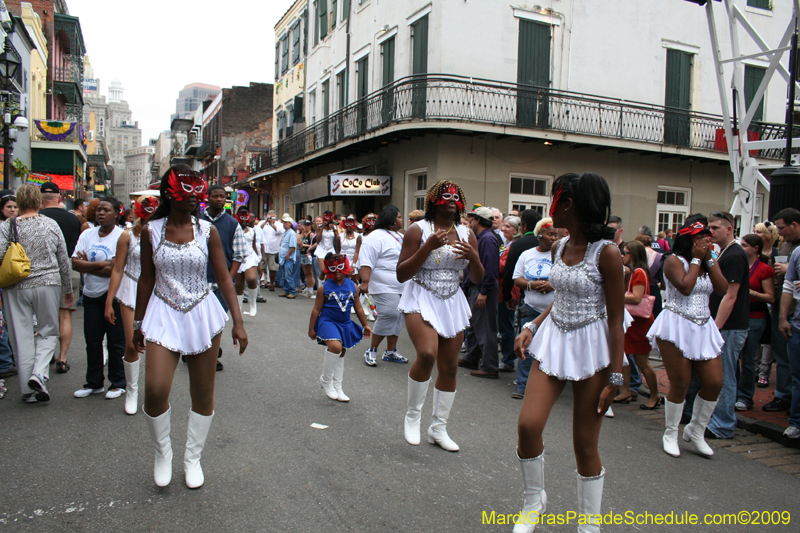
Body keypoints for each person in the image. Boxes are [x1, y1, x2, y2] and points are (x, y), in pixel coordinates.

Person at [511, 173, 626, 533]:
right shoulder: (559, 246)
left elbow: (616, 319)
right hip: (554, 339)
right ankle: (534, 501)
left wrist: (616, 377)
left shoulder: (607, 253)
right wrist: (532, 326)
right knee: (528, 425)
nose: (551, 207)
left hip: (592, 349)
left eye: (555, 199)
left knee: (585, 444)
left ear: (570, 205)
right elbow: (562, 297)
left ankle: (589, 525)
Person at [133, 165, 247, 488]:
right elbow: (146, 278)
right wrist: (138, 323)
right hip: (163, 313)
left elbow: (223, 276)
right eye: (187, 192)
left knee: (203, 393)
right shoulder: (150, 231)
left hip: (202, 313)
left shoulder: (208, 231)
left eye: (199, 192)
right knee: (155, 390)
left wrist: (238, 322)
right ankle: (162, 453)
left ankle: (193, 458)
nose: (196, 198)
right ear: (169, 194)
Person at [397, 180, 483, 452]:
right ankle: (413, 416)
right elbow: (401, 274)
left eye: (456, 196)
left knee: (450, 367)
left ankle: (438, 428)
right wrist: (427, 246)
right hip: (420, 295)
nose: (452, 200)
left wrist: (474, 258)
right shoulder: (418, 229)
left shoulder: (467, 233)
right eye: (446, 196)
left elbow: (478, 278)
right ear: (433, 200)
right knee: (426, 354)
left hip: (452, 300)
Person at [646, 215, 727, 458]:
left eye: (706, 238)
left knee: (714, 382)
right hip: (676, 325)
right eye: (699, 238)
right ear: (688, 240)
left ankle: (696, 430)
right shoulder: (674, 260)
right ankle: (671, 432)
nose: (704, 242)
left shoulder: (708, 261)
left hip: (704, 325)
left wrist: (709, 260)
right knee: (680, 383)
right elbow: (685, 287)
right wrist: (696, 259)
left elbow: (722, 289)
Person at [0, 185, 72, 402]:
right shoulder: (50, 224)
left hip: (16, 286)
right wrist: (68, 289)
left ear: (19, 203)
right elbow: (63, 259)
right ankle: (39, 373)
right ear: (39, 202)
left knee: (20, 337)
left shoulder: (7, 226)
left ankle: (28, 390)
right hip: (48, 283)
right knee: (48, 330)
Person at [684, 211, 749, 440]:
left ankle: (723, 424)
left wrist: (716, 328)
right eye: (708, 228)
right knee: (714, 375)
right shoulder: (723, 253)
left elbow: (730, 295)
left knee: (725, 376)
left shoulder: (734, 255)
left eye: (715, 228)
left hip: (729, 326)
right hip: (722, 325)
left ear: (729, 229)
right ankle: (707, 419)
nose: (710, 232)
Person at [104, 195, 160, 415]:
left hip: (157, 293)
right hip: (130, 291)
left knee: (156, 347)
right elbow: (118, 269)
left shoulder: (165, 232)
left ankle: (155, 392)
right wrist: (109, 301)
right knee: (130, 345)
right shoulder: (127, 235)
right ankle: (132, 390)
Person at [72, 196, 127, 399]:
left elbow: (116, 269)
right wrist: (103, 264)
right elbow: (75, 263)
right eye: (99, 210)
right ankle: (94, 383)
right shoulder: (88, 234)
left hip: (114, 296)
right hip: (91, 294)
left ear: (117, 214)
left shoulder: (122, 236)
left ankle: (118, 383)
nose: (101, 213)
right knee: (93, 341)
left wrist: (89, 265)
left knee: (116, 342)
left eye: (106, 210)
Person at [309, 253, 373, 402]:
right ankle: (326, 381)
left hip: (345, 323)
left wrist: (365, 325)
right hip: (328, 321)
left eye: (340, 268)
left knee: (342, 350)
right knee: (335, 347)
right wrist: (311, 328)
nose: (337, 272)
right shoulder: (324, 288)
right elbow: (316, 309)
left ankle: (338, 386)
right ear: (328, 269)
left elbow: (358, 307)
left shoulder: (353, 286)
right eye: (333, 269)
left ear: (345, 268)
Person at [202, 185, 247, 372]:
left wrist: (228, 279)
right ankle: (195, 351)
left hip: (221, 282)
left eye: (222, 196)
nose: (219, 199)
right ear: (208, 198)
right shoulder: (197, 220)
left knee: (217, 321)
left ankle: (212, 355)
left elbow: (239, 255)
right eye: (215, 196)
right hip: (200, 280)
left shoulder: (232, 224)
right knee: (199, 320)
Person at [511, 217, 558, 399]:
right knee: (526, 347)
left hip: (554, 312)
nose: (553, 238)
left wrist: (552, 285)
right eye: (549, 234)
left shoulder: (561, 255)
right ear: (539, 235)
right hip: (531, 309)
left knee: (552, 350)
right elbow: (517, 278)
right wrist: (532, 285)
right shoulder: (527, 255)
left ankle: (547, 387)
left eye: (556, 235)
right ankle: (522, 385)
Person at [39, 182, 81, 375]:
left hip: (43, 270)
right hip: (70, 268)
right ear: (60, 198)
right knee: (65, 315)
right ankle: (62, 358)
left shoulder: (38, 217)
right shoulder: (73, 219)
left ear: (41, 199)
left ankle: (47, 354)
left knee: (44, 317)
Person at [358, 205, 408, 366]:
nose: (402, 220)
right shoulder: (375, 236)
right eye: (399, 217)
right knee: (389, 313)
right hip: (383, 284)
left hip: (402, 284)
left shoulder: (400, 236)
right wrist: (365, 282)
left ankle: (391, 351)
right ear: (391, 219)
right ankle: (372, 349)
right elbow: (366, 260)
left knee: (398, 316)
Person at [763, 209, 800, 412]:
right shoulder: (784, 245)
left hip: (796, 310)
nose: (780, 232)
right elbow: (783, 282)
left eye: (782, 228)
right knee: (782, 355)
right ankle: (784, 395)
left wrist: (788, 271)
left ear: (794, 225)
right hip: (781, 307)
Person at [459, 206, 501, 378]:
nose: (470, 222)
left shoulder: (488, 239)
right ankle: (472, 357)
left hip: (482, 286)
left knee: (485, 327)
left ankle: (490, 366)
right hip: (477, 285)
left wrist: (484, 291)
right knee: (476, 325)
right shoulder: (482, 238)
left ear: (478, 220)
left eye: (472, 219)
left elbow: (490, 268)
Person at [618, 240, 660, 409]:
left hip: (640, 323)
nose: (623, 256)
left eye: (625, 253)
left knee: (642, 362)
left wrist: (616, 295)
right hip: (633, 323)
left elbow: (637, 297)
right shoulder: (636, 271)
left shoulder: (639, 272)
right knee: (626, 358)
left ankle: (655, 395)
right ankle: (626, 390)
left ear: (634, 254)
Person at [735, 234, 774, 412]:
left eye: (745, 245)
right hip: (738, 315)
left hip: (755, 317)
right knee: (733, 356)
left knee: (748, 358)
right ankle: (733, 392)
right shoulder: (740, 265)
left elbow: (771, 297)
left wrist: (751, 292)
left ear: (755, 248)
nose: (741, 248)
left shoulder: (764, 269)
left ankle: (745, 396)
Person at [779, 245, 800, 438]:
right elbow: (788, 285)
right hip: (797, 326)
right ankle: (796, 422)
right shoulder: (798, 252)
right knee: (797, 377)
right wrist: (783, 318)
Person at [498, 216, 522, 372]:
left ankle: (508, 360)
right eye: (504, 226)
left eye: (508, 226)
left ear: (516, 230)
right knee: (504, 324)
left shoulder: (515, 246)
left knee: (507, 326)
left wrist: (492, 261)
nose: (504, 229)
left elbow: (504, 266)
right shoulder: (507, 244)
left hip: (509, 290)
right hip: (502, 289)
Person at [234, 207, 261, 316]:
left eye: (246, 218)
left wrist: (259, 264)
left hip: (250, 257)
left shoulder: (252, 231)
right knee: (239, 285)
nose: (244, 221)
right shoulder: (234, 230)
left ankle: (253, 303)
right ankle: (239, 307)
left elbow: (254, 246)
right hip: (238, 257)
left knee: (251, 279)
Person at [259, 210, 284, 291]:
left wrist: (272, 224)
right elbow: (259, 230)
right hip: (263, 249)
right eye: (269, 216)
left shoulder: (279, 224)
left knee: (273, 268)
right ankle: (261, 281)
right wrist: (266, 222)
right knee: (261, 267)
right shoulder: (262, 223)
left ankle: (271, 283)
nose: (271, 218)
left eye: (272, 217)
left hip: (274, 250)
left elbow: (279, 231)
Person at [278, 214, 298, 299]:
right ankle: (286, 290)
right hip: (283, 257)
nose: (284, 223)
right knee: (284, 276)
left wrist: (288, 255)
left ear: (290, 223)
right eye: (283, 222)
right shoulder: (285, 232)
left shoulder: (292, 233)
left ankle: (292, 292)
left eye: (286, 222)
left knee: (288, 275)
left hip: (288, 258)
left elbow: (292, 246)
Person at [315, 211, 337, 278]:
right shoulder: (320, 227)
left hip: (331, 249)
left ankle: (327, 282)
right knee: (323, 270)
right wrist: (322, 228)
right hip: (321, 249)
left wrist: (334, 229)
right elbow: (317, 240)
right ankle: (321, 280)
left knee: (330, 271)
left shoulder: (334, 227)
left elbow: (337, 239)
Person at [299, 220, 316, 297]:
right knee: (306, 273)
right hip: (302, 253)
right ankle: (308, 287)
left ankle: (311, 288)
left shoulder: (311, 234)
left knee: (310, 272)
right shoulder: (302, 234)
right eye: (305, 225)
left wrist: (304, 245)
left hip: (308, 254)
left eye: (307, 225)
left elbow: (312, 245)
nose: (306, 227)